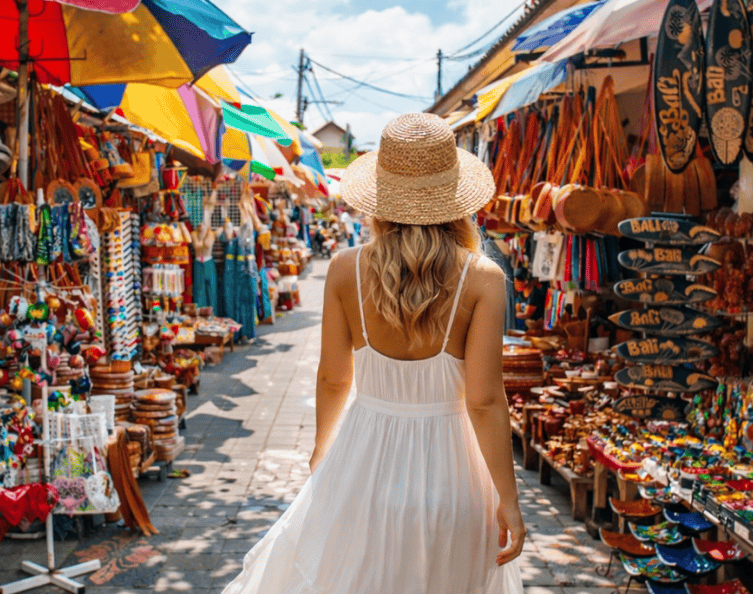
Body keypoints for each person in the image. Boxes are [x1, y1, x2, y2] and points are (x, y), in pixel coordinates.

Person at [221, 113, 525, 594]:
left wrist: (323, 450)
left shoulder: (345, 269)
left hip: (362, 463)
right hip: (454, 473)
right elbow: (485, 400)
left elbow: (333, 379)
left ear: (381, 199)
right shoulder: (483, 278)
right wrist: (508, 497)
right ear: (453, 201)